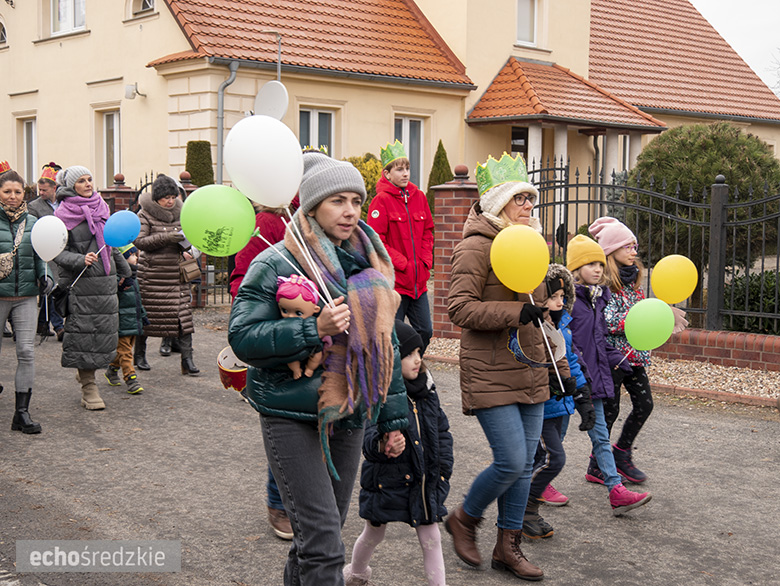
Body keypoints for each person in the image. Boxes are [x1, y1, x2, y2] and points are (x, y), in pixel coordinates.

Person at [229, 151, 408, 585]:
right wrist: (314, 328)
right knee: (326, 548)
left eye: (355, 201)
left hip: (348, 414)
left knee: (314, 542)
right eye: (337, 201)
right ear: (311, 207)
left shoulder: (371, 265)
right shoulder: (276, 262)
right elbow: (243, 337)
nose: (349, 211)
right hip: (290, 414)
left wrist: (392, 420)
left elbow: (386, 345)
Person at [446, 153, 572, 581]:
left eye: (532, 201)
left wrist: (561, 367)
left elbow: (539, 315)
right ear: (498, 203)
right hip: (490, 369)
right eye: (520, 199)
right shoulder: (475, 246)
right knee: (511, 459)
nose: (528, 207)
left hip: (532, 368)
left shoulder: (531, 246)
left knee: (525, 462)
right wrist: (514, 313)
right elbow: (459, 309)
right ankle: (465, 516)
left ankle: (507, 546)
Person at [345, 320, 453, 586]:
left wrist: (443, 468)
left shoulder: (427, 391)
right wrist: (384, 446)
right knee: (373, 534)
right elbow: (368, 441)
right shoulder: (378, 395)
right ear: (390, 360)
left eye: (419, 352)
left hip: (423, 481)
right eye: (407, 355)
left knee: (432, 538)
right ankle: (356, 573)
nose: (417, 360)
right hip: (386, 483)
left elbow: (442, 432)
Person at [229, 196, 300, 542]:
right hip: (281, 337)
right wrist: (261, 311)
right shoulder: (267, 223)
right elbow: (242, 277)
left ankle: (306, 502)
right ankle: (278, 503)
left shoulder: (326, 226)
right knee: (287, 422)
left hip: (322, 343)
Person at [565, 234, 652, 515]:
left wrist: (616, 360)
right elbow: (568, 343)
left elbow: (600, 339)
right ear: (577, 269)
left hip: (593, 382)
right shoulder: (569, 302)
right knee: (551, 441)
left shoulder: (598, 299)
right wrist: (577, 371)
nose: (598, 270)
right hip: (568, 381)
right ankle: (536, 485)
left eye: (600, 264)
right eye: (590, 264)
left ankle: (616, 491)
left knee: (601, 437)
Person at [511, 264, 595, 539]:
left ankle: (529, 513)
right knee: (553, 458)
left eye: (563, 295)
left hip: (561, 405)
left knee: (540, 461)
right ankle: (521, 510)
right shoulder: (530, 326)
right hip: (542, 407)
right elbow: (523, 360)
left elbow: (569, 360)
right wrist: (547, 380)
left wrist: (583, 396)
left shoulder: (561, 326)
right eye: (554, 296)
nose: (560, 301)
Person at [53, 165, 131, 411]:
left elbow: (110, 244)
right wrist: (79, 259)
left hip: (106, 283)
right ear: (70, 186)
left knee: (103, 335)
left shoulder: (102, 207)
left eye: (90, 179)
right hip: (81, 284)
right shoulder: (62, 215)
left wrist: (125, 271)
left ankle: (86, 372)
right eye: (82, 181)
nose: (88, 184)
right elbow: (55, 252)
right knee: (83, 335)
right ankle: (89, 387)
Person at [367, 140, 434, 351]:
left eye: (407, 168)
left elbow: (428, 232)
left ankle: (414, 367)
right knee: (392, 332)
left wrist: (425, 261)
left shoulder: (419, 197)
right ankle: (397, 372)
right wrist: (402, 263)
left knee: (425, 331)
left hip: (419, 282)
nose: (405, 173)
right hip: (395, 283)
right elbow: (376, 240)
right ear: (387, 174)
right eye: (399, 169)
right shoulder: (381, 201)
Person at [134, 174, 199, 376]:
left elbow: (193, 234)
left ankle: (187, 360)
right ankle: (139, 355)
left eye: (173, 196)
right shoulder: (144, 215)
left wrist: (190, 247)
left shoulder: (183, 212)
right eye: (166, 198)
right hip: (152, 276)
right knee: (148, 318)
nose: (170, 201)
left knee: (184, 320)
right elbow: (140, 241)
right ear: (156, 198)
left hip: (177, 274)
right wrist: (167, 237)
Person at [0, 164, 47, 433]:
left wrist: (46, 277)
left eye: (18, 191)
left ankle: (21, 413)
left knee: (26, 352)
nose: (13, 196)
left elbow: (42, 256)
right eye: (7, 191)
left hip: (26, 296)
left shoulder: (33, 223)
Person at [28, 162, 64, 341]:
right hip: (46, 251)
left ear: (54, 188)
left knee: (51, 288)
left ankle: (42, 323)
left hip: (63, 249)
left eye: (44, 190)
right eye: (39, 189)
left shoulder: (65, 202)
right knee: (52, 286)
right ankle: (59, 326)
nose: (40, 193)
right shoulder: (34, 207)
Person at [104, 244, 148, 394]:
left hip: (132, 320)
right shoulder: (118, 279)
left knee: (124, 350)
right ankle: (131, 379)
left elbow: (137, 300)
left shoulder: (133, 278)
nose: (137, 258)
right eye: (133, 255)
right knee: (126, 350)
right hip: (121, 320)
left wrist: (142, 315)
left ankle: (112, 369)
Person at [276, 274, 328, 379]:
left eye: (298, 313)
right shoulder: (283, 323)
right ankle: (296, 370)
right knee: (290, 359)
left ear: (315, 310)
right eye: (284, 311)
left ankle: (310, 368)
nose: (290, 316)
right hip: (292, 348)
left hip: (313, 346)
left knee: (316, 357)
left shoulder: (314, 321)